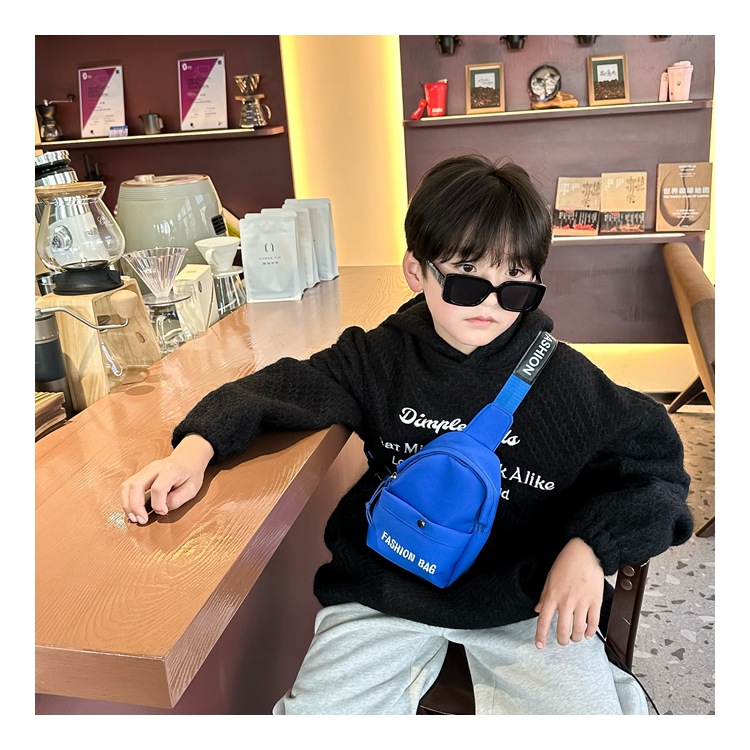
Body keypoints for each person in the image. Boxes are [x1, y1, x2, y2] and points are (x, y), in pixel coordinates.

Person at [121, 154, 693, 715]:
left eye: (516, 284)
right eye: (466, 279)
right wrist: (195, 449)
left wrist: (590, 548)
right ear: (416, 271)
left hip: (525, 594)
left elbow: (657, 469)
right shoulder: (379, 359)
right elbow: (281, 388)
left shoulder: (567, 384)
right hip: (389, 583)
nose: (491, 304)